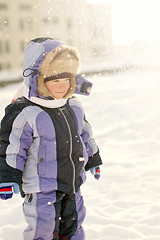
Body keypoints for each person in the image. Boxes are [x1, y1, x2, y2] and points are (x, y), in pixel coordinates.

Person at [0, 37, 102, 240]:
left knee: (73, 224)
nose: (62, 86)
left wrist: (93, 159)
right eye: (55, 80)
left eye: (67, 80)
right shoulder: (26, 111)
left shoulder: (72, 106)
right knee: (43, 228)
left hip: (72, 184)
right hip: (41, 189)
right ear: (38, 79)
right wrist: (8, 176)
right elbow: (12, 146)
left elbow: (84, 134)